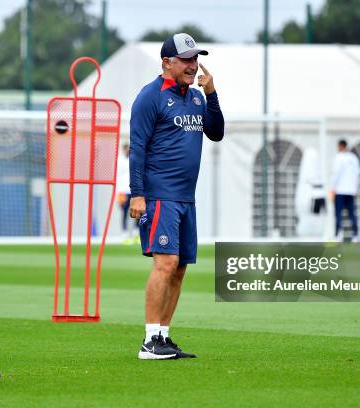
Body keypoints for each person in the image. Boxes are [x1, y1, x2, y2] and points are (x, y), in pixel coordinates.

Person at [129, 33, 224, 359]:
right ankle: (149, 340)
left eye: (195, 59)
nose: (192, 65)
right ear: (166, 62)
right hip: (159, 196)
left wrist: (211, 94)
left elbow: (216, 132)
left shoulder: (196, 97)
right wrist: (137, 194)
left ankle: (164, 337)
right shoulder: (149, 97)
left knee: (180, 267)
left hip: (186, 198)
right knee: (166, 263)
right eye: (185, 59)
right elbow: (137, 148)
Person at [330, 139, 360, 242]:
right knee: (352, 214)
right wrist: (356, 188)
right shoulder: (354, 158)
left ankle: (337, 236)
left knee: (338, 214)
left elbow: (335, 173)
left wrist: (332, 188)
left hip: (340, 190)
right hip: (351, 190)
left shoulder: (338, 158)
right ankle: (355, 236)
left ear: (340, 146)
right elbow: (357, 174)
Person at [116, 143, 136, 242]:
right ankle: (124, 233)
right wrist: (118, 192)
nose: (128, 151)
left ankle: (136, 233)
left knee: (135, 212)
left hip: (133, 190)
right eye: (126, 149)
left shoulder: (134, 159)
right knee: (124, 212)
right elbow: (116, 177)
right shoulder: (119, 161)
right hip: (123, 191)